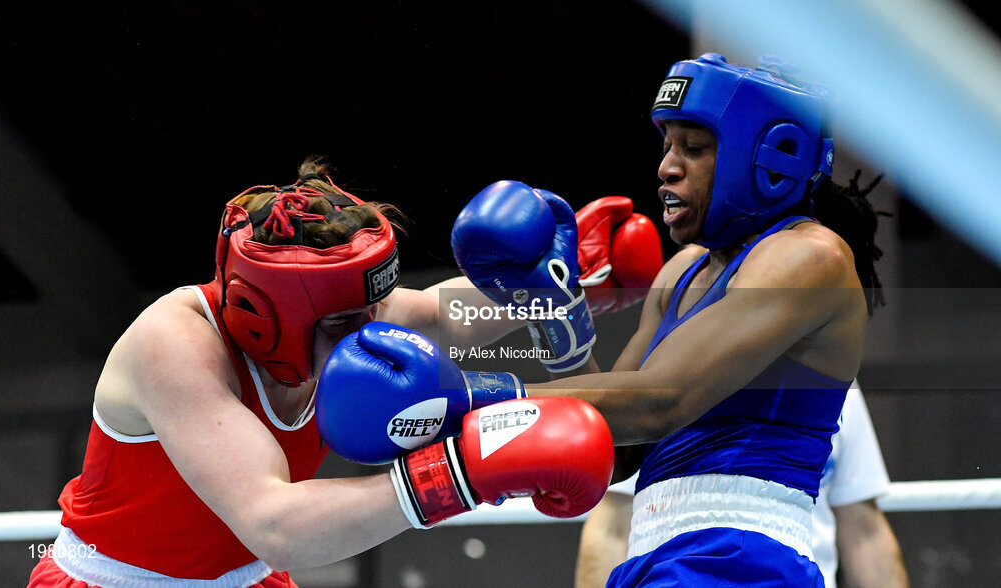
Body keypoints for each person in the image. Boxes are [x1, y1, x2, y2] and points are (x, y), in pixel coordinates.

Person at [317, 52, 890, 586]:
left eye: (693, 147)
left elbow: (660, 400)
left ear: (770, 160)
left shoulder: (809, 257)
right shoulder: (683, 272)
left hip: (743, 559)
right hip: (655, 555)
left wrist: (465, 398)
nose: (666, 168)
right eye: (667, 145)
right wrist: (554, 311)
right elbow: (619, 445)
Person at [27, 157, 616, 587]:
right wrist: (458, 473)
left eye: (372, 309)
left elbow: (447, 319)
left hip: (253, 578)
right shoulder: (175, 342)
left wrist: (547, 284)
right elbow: (276, 524)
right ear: (266, 318)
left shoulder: (347, 318)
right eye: (342, 322)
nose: (369, 333)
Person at [574, 384, 909, 587]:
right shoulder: (661, 376)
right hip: (672, 572)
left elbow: (864, 532)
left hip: (791, 573)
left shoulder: (833, 375)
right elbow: (612, 529)